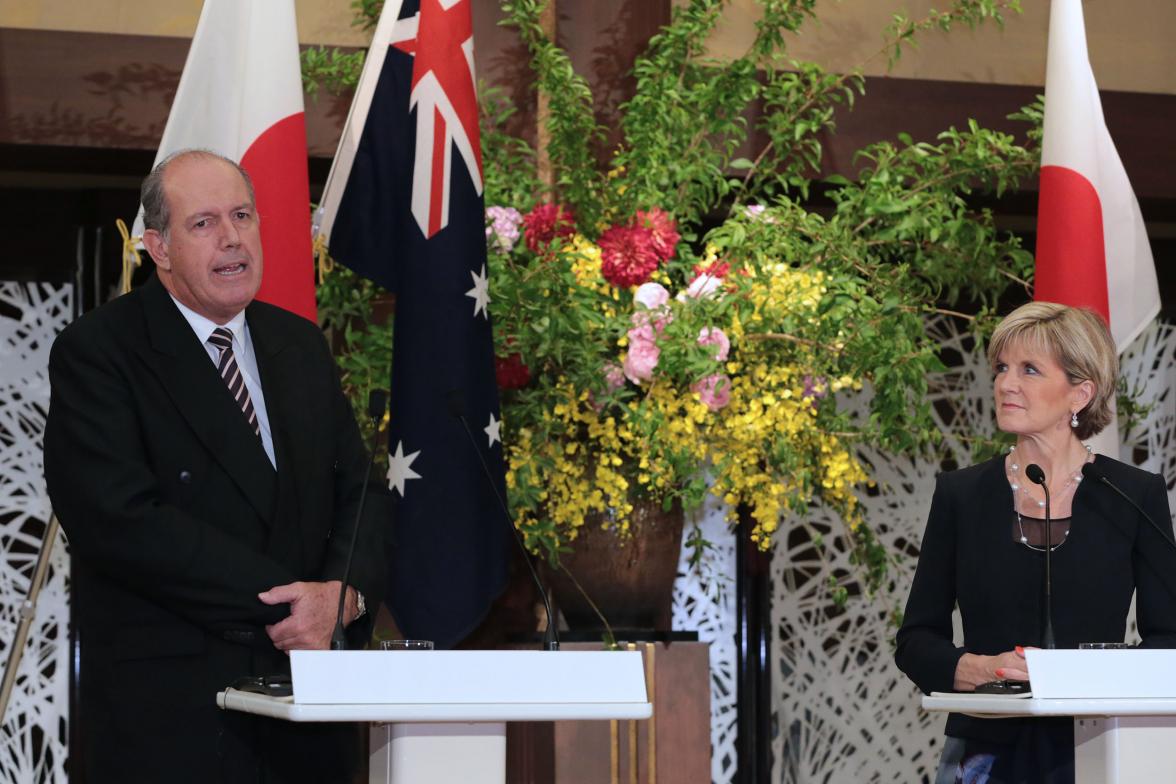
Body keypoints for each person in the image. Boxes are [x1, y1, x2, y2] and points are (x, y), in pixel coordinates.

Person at [44, 149, 387, 783]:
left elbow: (360, 493)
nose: (232, 238)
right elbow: (120, 521)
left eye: (242, 215)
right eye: (203, 223)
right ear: (159, 247)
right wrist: (290, 604)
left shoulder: (299, 345)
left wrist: (342, 595)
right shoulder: (99, 352)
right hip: (176, 722)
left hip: (306, 713)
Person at [895, 301, 1176, 784]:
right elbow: (916, 641)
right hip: (984, 753)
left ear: (1079, 393)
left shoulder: (1133, 495)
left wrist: (1091, 678)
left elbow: (1169, 638)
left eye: (1029, 369)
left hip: (1101, 747)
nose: (1006, 383)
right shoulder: (961, 495)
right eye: (1002, 367)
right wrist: (982, 668)